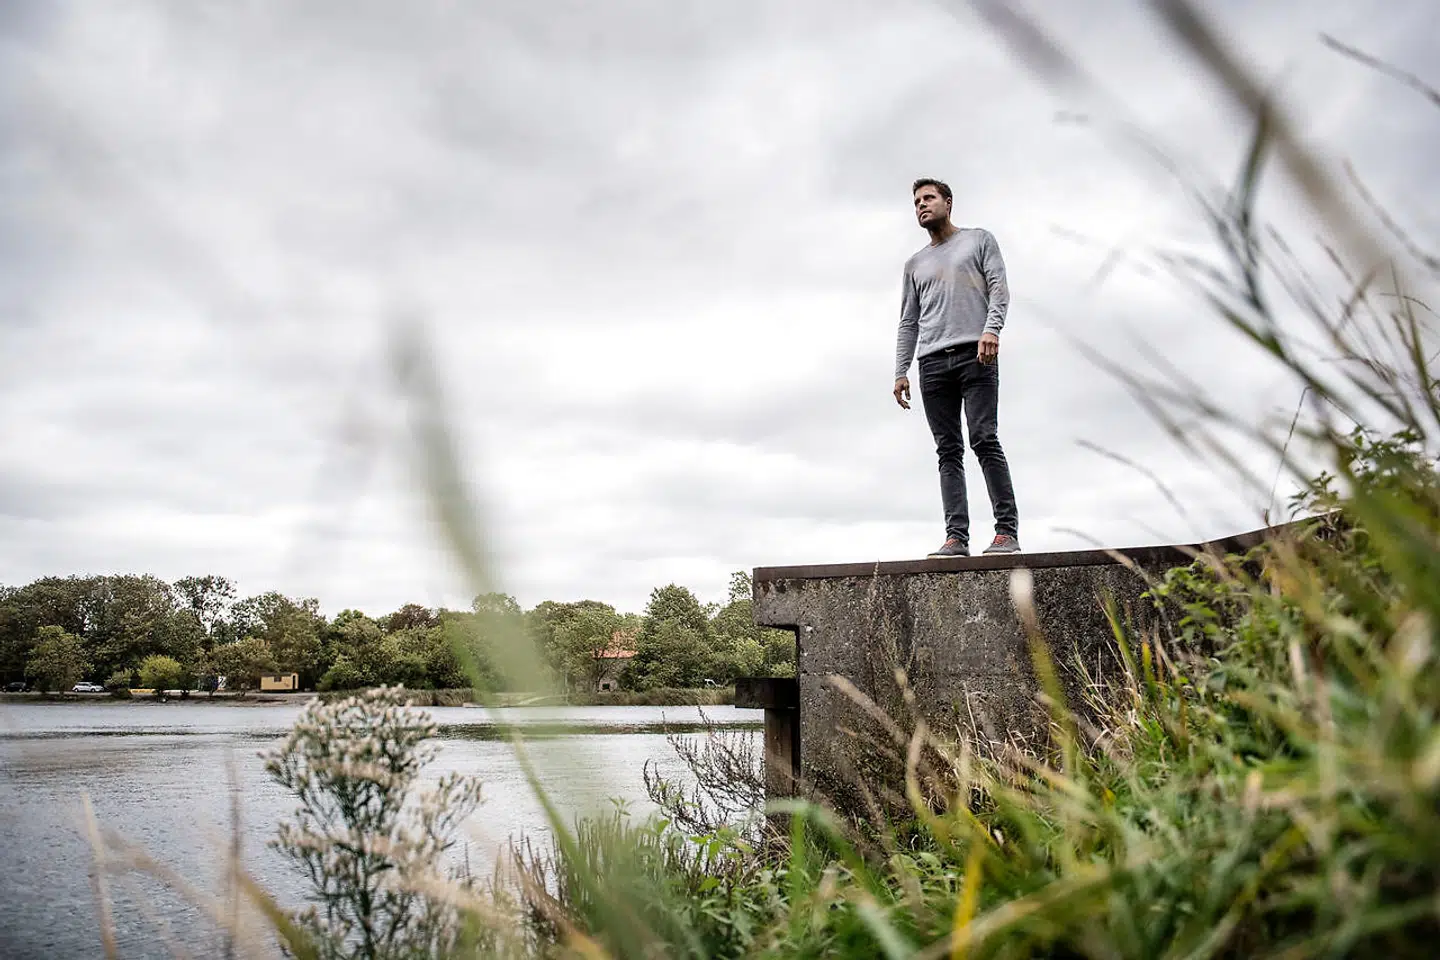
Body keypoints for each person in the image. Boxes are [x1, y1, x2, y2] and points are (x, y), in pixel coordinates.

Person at [893, 178, 1020, 558]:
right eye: (916, 201)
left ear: (948, 202)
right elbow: (908, 321)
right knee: (947, 450)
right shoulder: (914, 264)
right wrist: (901, 370)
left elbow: (999, 288)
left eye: (928, 198)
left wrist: (992, 329)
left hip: (975, 353)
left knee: (984, 438)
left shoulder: (979, 240)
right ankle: (956, 538)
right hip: (931, 363)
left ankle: (1006, 532)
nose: (921, 205)